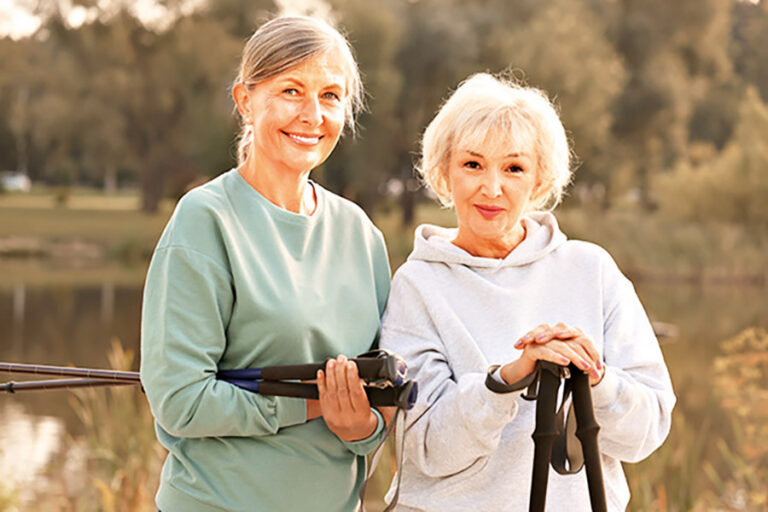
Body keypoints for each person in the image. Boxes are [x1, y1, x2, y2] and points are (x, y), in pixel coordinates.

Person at [379, 73, 676, 511]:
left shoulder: (591, 270)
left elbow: (646, 433)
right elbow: (425, 449)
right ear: (444, 172)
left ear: (539, 181)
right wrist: (507, 380)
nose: (492, 188)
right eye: (472, 164)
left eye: (514, 168)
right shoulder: (418, 284)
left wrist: (593, 375)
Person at [140, 16, 392, 512]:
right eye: (291, 91)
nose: (312, 115)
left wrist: (361, 423)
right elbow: (180, 401)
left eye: (330, 96)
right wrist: (315, 403)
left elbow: (380, 403)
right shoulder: (205, 219)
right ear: (245, 100)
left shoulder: (361, 233)